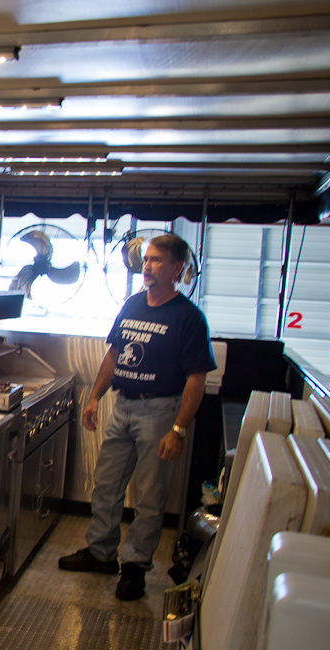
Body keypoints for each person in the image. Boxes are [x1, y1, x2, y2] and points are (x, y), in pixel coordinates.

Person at [58, 233, 216, 601]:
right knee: (106, 485)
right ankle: (100, 553)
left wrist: (177, 428)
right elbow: (112, 355)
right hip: (123, 405)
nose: (147, 266)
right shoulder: (132, 304)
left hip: (159, 412)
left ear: (177, 269)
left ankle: (134, 569)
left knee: (149, 496)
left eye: (157, 260)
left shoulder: (189, 318)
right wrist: (95, 396)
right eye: (146, 259)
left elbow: (196, 379)